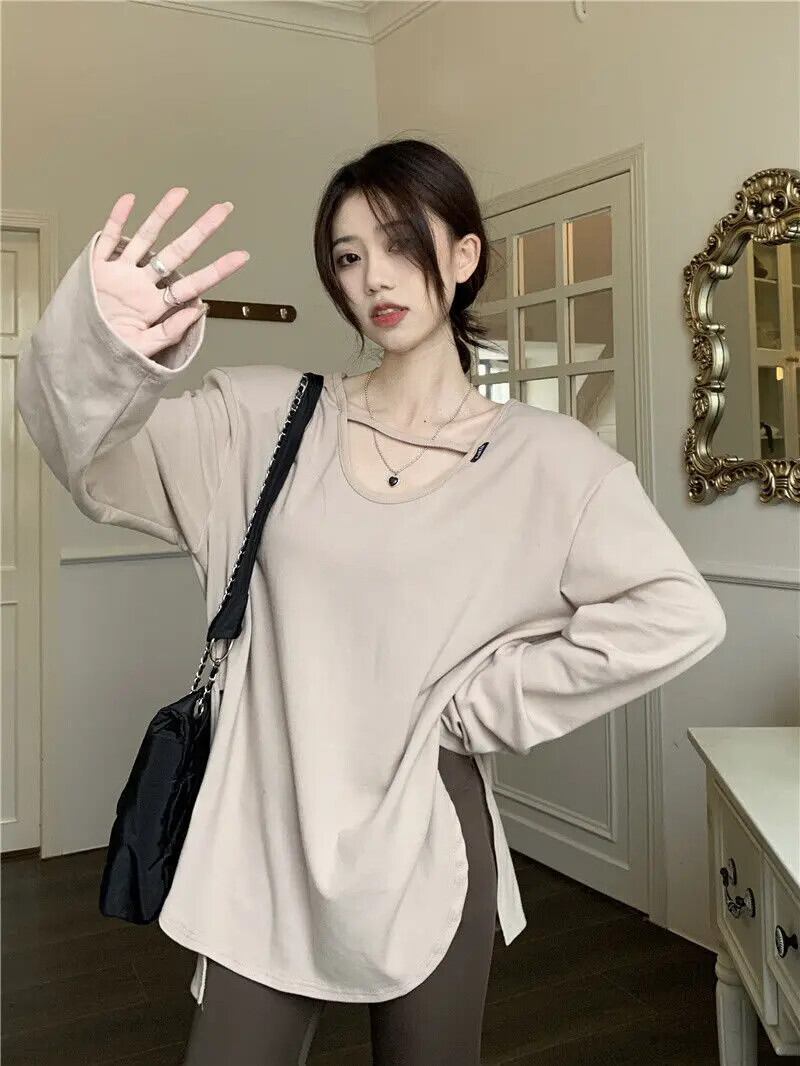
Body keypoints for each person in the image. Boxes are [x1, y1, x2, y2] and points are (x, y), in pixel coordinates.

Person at [15, 138, 726, 1066]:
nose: (373, 277)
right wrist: (102, 349)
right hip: (266, 829)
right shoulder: (264, 420)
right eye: (348, 256)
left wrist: (481, 706)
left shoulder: (550, 461)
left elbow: (677, 610)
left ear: (463, 255)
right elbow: (90, 458)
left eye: (399, 242)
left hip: (427, 827)